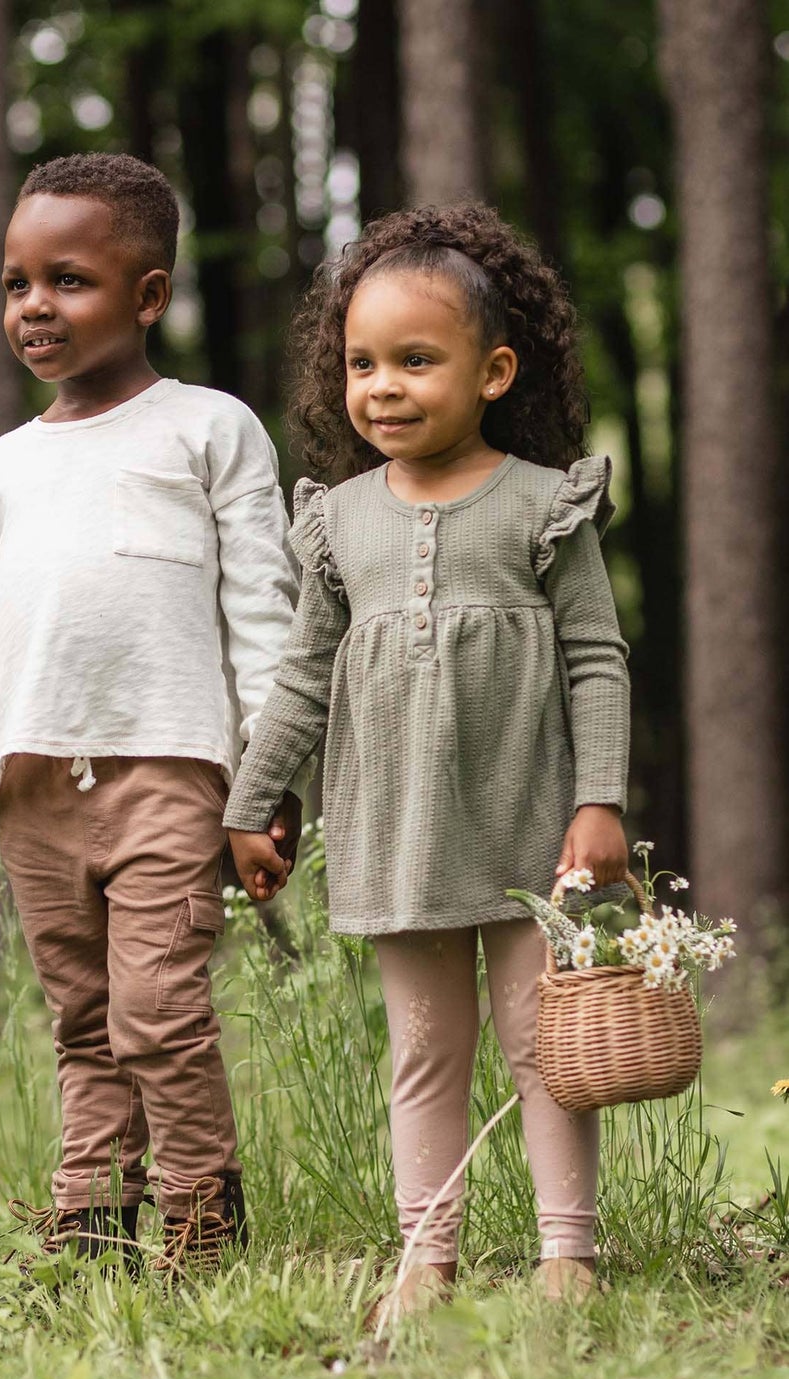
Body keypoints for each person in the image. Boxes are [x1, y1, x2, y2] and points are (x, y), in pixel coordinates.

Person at [0, 154, 301, 1272]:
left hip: (170, 773)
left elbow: (262, 619)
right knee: (85, 1018)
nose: (34, 307)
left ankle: (198, 1215)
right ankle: (91, 1218)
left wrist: (265, 785)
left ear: (148, 295)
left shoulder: (209, 428)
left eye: (68, 281)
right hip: (33, 791)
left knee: (157, 1005)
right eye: (16, 284)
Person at [224, 204, 630, 1315]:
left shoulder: (543, 504)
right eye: (362, 364)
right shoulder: (340, 520)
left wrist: (598, 799)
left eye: (415, 360)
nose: (383, 388)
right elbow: (301, 678)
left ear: (492, 372)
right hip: (396, 831)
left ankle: (566, 1255)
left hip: (528, 823)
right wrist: (251, 802)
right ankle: (425, 1257)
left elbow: (596, 657)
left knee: (542, 1045)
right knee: (422, 1049)